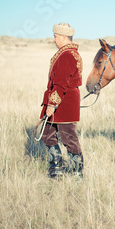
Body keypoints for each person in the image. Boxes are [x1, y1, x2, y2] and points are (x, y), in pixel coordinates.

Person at [40, 22, 84, 178]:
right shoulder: (69, 53)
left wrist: (52, 104)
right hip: (61, 101)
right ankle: (57, 168)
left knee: (69, 138)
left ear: (64, 37)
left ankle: (76, 173)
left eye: (55, 36)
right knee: (47, 134)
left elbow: (60, 84)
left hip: (63, 104)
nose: (53, 39)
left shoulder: (66, 56)